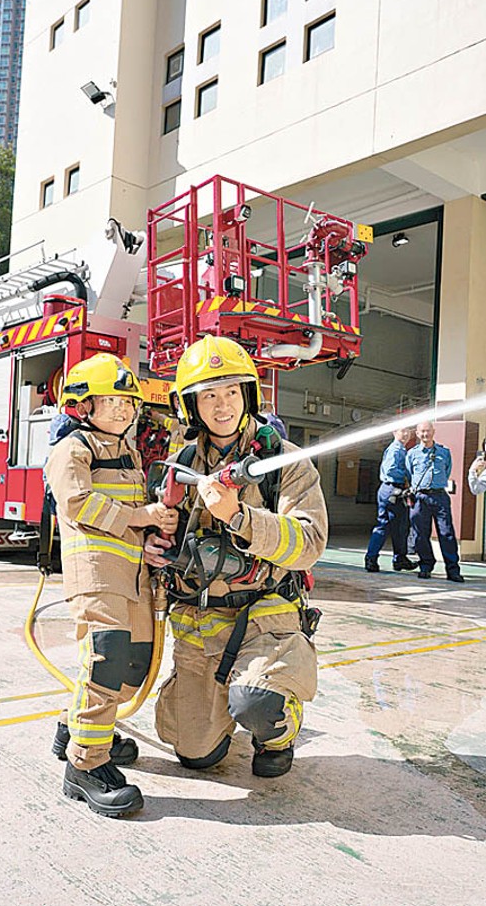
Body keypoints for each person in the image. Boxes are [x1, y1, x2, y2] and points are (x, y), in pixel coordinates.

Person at [144, 335, 327, 778]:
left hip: (263, 622)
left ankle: (279, 732)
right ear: (192, 406)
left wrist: (239, 517)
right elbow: (159, 533)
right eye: (208, 395)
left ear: (248, 395)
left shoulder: (285, 462)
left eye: (231, 391)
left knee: (258, 704)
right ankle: (218, 714)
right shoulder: (179, 467)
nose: (221, 405)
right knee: (196, 755)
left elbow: (309, 543)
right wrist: (152, 545)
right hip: (199, 629)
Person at [44, 353, 178, 817]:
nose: (123, 410)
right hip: (97, 575)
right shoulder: (73, 450)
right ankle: (85, 765)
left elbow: (131, 521)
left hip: (133, 578)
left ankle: (77, 727)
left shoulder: (132, 456)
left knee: (132, 668)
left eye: (128, 402)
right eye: (111, 401)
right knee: (106, 662)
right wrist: (141, 516)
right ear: (83, 406)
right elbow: (79, 503)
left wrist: (151, 538)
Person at [405, 421, 464, 582]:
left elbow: (447, 470)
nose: (425, 434)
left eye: (428, 431)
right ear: (417, 434)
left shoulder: (444, 452)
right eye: (422, 431)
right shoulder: (412, 454)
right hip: (420, 497)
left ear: (433, 432)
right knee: (420, 534)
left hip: (439, 496)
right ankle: (426, 565)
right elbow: (410, 474)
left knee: (446, 533)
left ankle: (452, 570)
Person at [364, 427, 418, 573]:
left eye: (408, 431)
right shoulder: (396, 449)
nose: (406, 434)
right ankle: (383, 558)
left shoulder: (399, 449)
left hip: (388, 489)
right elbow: (391, 470)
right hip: (393, 489)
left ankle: (393, 558)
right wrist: (410, 476)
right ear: (394, 432)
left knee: (393, 526)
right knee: (393, 526)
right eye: (403, 431)